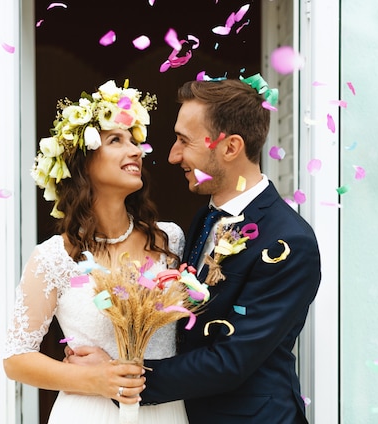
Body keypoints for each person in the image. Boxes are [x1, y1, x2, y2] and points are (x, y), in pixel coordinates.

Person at [67, 75, 321, 423]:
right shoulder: (205, 218)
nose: (173, 156)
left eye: (184, 141)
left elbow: (230, 362)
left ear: (230, 147)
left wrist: (117, 376)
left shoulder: (290, 241)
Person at [3, 79, 189, 423]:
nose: (135, 151)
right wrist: (93, 379)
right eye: (116, 141)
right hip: (87, 412)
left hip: (165, 413)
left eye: (134, 142)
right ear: (82, 163)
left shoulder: (170, 241)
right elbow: (16, 359)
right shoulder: (53, 258)